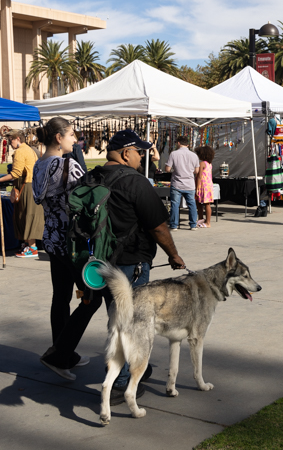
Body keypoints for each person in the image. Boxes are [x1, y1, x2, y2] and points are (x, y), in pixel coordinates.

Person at [85, 129, 187, 401]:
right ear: (126, 153)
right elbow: (159, 227)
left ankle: (129, 366)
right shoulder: (136, 182)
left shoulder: (92, 176)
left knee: (116, 317)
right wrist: (174, 255)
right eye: (139, 153)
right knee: (131, 323)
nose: (141, 158)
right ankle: (121, 381)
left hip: (100, 264)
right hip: (132, 264)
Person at [31, 117, 89, 380]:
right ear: (59, 137)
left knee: (61, 297)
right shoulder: (67, 164)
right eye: (71, 135)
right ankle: (61, 354)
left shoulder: (39, 164)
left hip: (52, 238)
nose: (75, 139)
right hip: (71, 240)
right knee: (90, 296)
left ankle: (63, 351)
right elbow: (87, 199)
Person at [0, 129, 45, 258]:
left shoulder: (20, 151)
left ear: (18, 139)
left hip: (27, 186)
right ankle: (28, 244)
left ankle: (32, 247)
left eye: (11, 140)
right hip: (31, 185)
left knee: (27, 215)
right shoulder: (29, 149)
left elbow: (16, 173)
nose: (9, 143)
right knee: (24, 215)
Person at [165, 136, 199, 230]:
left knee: (175, 204)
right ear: (187, 144)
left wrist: (175, 169)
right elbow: (196, 171)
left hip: (177, 183)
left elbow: (167, 169)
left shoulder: (174, 154)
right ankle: (193, 224)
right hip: (189, 184)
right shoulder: (194, 155)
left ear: (178, 143)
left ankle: (174, 225)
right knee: (192, 204)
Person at [195, 145, 215, 228]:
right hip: (208, 185)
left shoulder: (202, 163)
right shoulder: (209, 164)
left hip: (203, 185)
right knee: (203, 203)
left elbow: (199, 176)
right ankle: (202, 220)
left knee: (203, 203)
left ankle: (207, 222)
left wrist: (197, 187)